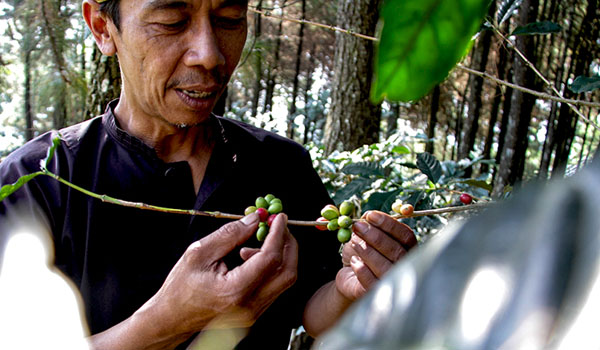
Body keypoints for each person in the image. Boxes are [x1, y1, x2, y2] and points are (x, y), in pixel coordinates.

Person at [0, 0, 417, 348]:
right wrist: (166, 321)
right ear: (103, 28)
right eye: (171, 22)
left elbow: (313, 307)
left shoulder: (280, 164)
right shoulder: (38, 183)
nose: (211, 54)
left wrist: (354, 287)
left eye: (230, 20)